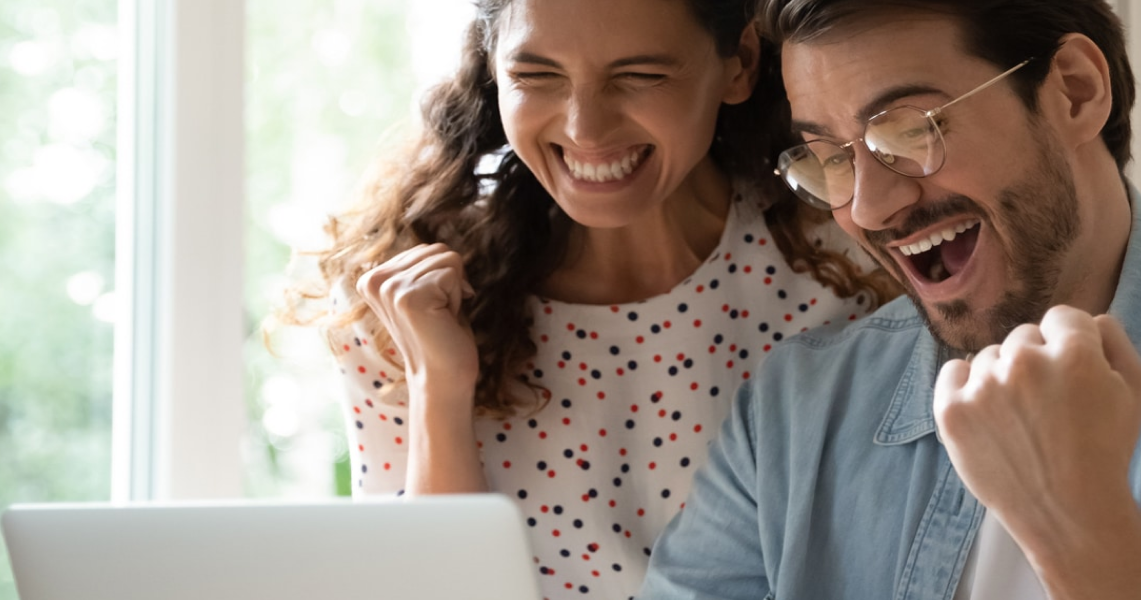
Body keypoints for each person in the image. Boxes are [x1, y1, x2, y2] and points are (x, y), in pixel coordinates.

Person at [275, 0, 895, 597]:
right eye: (535, 75)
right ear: (494, 68)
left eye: (641, 75)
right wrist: (440, 387)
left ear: (738, 63)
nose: (585, 128)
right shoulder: (405, 312)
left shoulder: (855, 269)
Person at [640, 0, 1141, 598]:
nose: (868, 208)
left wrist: (1082, 537)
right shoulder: (796, 411)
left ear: (1075, 92)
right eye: (829, 158)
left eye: (908, 130)